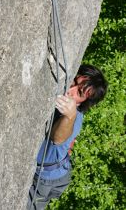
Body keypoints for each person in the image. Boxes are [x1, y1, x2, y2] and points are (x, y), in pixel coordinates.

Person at [27, 64, 108, 210]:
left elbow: (57, 138)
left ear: (84, 101)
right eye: (74, 82)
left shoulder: (74, 117)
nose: (71, 91)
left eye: (80, 93)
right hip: (59, 171)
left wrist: (69, 116)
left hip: (47, 180)